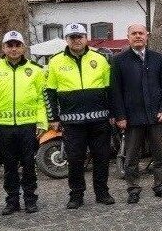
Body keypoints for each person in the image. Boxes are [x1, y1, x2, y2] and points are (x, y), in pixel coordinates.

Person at [46, 23, 115, 209]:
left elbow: (110, 90)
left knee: (101, 157)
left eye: (79, 36)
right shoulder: (55, 61)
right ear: (66, 40)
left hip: (99, 119)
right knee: (75, 159)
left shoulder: (100, 58)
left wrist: (113, 113)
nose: (76, 40)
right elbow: (49, 92)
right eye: (72, 37)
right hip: (72, 122)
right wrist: (52, 118)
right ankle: (76, 195)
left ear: (86, 38)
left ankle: (102, 192)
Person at [0, 31, 48, 215]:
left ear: (23, 48)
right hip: (3, 127)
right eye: (9, 45)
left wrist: (42, 123)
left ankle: (30, 200)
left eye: (17, 45)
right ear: (3, 48)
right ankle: (12, 201)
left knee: (28, 165)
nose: (13, 49)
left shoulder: (36, 70)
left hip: (28, 126)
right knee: (9, 166)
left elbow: (41, 100)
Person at [110, 24, 162, 203]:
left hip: (156, 116)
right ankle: (133, 189)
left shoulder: (157, 58)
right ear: (128, 36)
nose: (138, 36)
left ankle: (160, 186)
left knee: (160, 155)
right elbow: (115, 91)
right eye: (134, 33)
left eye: (141, 33)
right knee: (131, 157)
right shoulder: (119, 60)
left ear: (147, 36)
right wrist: (120, 116)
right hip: (131, 118)